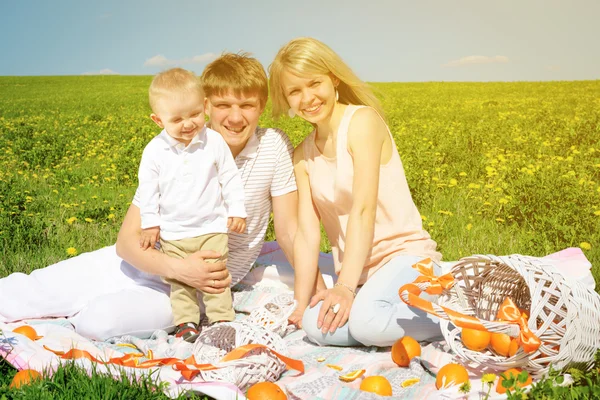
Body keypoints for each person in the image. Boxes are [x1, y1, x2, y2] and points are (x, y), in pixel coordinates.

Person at [0, 53, 298, 341]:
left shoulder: (272, 147)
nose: (235, 116)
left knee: (99, 322)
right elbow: (126, 243)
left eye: (247, 105)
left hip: (185, 296)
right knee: (26, 292)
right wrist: (178, 267)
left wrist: (309, 292)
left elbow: (288, 231)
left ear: (262, 106)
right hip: (142, 262)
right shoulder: (170, 148)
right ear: (207, 106)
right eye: (223, 105)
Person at [268, 37, 443, 347]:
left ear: (333, 78)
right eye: (295, 91)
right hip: (361, 275)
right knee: (314, 325)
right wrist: (299, 302)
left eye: (314, 83)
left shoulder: (362, 122)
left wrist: (345, 288)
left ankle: (456, 315)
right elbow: (308, 236)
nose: (307, 98)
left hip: (404, 259)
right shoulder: (302, 156)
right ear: (286, 98)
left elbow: (363, 210)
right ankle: (391, 313)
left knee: (368, 324)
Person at [139, 68, 247, 341]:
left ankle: (222, 319)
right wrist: (150, 223)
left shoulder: (214, 142)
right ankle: (186, 323)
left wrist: (236, 209)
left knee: (216, 276)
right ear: (157, 120)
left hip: (211, 226)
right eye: (177, 119)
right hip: (173, 232)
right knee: (180, 283)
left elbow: (229, 177)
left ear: (205, 107)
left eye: (195, 114)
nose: (188, 124)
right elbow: (148, 190)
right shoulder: (155, 151)